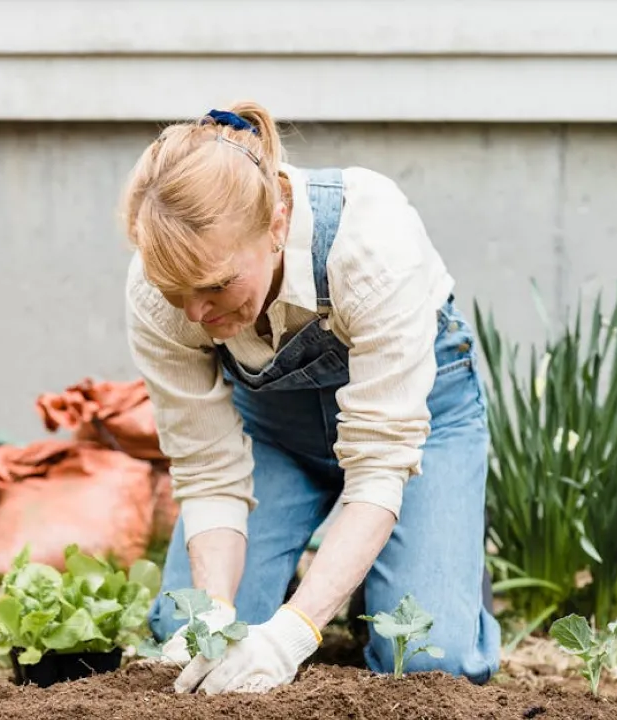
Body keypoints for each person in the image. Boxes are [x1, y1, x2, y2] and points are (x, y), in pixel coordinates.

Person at [119, 100, 501, 695]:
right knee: (187, 634)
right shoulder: (157, 292)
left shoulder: (370, 242)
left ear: (276, 224)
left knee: (430, 659)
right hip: (276, 436)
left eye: (216, 285)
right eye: (177, 291)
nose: (195, 314)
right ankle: (345, 572)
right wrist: (216, 617)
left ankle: (418, 563)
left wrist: (291, 635)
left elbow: (379, 467)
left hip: (419, 430)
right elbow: (208, 472)